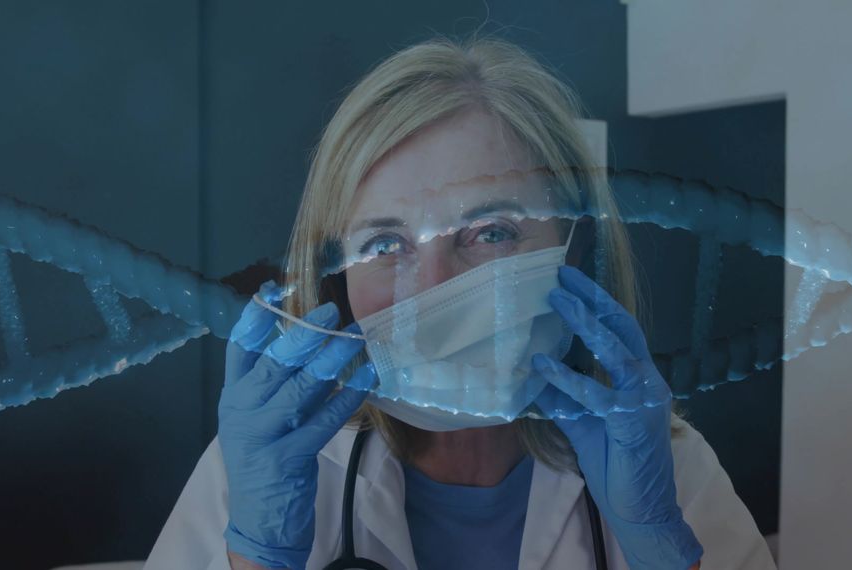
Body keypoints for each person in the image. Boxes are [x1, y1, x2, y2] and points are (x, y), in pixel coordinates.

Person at [145, 36, 776, 570]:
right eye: (385, 243)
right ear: (333, 277)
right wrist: (258, 554)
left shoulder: (663, 466)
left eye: (491, 232)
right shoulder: (258, 471)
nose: (432, 288)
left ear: (572, 252)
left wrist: (662, 549)